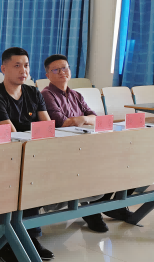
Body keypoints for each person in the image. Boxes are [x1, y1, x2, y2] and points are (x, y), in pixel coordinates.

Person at [41, 54, 129, 231]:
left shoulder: (76, 95)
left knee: (122, 159)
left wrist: (82, 119)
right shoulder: (46, 94)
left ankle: (102, 205)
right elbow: (63, 123)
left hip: (86, 142)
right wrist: (83, 119)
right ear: (48, 75)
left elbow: (95, 118)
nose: (62, 72)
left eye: (65, 68)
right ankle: (91, 209)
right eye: (56, 70)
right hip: (65, 146)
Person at [0, 47, 53, 262]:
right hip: (5, 158)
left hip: (32, 152)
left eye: (26, 65)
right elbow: (12, 135)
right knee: (12, 190)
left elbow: (47, 126)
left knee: (34, 187)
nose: (23, 70)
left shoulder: (33, 92)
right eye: (17, 66)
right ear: (3, 68)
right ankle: (4, 243)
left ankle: (30, 236)